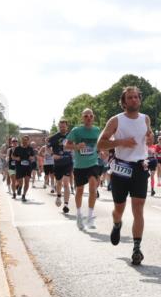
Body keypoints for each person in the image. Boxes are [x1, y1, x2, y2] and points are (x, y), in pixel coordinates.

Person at [97, 86, 154, 265]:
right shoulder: (116, 120)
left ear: (140, 100)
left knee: (138, 208)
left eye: (136, 97)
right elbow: (100, 144)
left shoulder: (145, 119)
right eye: (130, 97)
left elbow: (149, 136)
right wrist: (121, 142)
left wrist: (150, 138)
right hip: (121, 168)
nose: (134, 100)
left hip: (140, 167)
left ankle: (137, 248)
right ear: (123, 102)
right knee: (119, 209)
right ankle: (117, 224)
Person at [65, 108, 102, 231]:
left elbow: (99, 144)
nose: (88, 118)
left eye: (91, 116)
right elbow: (66, 146)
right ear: (82, 118)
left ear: (93, 117)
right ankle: (79, 215)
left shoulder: (97, 130)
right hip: (80, 165)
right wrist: (76, 146)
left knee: (93, 187)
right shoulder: (76, 131)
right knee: (79, 190)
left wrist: (102, 151)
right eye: (86, 116)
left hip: (93, 163)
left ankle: (90, 217)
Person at [47, 120, 74, 214]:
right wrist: (52, 155)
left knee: (66, 183)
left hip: (68, 162)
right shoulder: (54, 137)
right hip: (58, 163)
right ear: (59, 127)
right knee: (59, 183)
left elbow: (76, 145)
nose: (62, 128)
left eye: (64, 126)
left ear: (67, 126)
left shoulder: (71, 136)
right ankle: (58, 196)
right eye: (61, 126)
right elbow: (47, 147)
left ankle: (66, 205)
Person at [12, 135, 37, 201]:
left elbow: (33, 156)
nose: (24, 141)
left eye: (26, 140)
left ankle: (24, 195)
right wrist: (16, 158)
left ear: (28, 141)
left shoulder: (30, 149)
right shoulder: (17, 148)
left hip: (28, 167)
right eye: (23, 140)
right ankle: (20, 187)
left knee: (27, 181)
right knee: (20, 181)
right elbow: (13, 156)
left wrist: (31, 158)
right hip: (19, 167)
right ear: (21, 140)